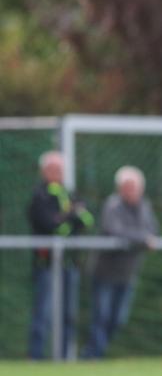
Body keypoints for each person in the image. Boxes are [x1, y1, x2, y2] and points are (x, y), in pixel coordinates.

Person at [83, 166, 159, 358]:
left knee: (118, 320)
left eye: (134, 187)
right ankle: (92, 356)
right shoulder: (112, 205)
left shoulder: (144, 206)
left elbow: (152, 230)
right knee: (101, 317)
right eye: (127, 187)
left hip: (128, 273)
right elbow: (115, 231)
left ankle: (95, 352)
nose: (131, 191)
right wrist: (142, 240)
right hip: (104, 273)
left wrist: (141, 238)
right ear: (119, 188)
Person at [27, 151, 94, 359]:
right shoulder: (40, 196)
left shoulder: (70, 193)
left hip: (68, 263)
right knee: (43, 314)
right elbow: (51, 227)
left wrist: (68, 218)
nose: (57, 173)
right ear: (43, 171)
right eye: (52, 169)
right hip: (46, 264)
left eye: (60, 169)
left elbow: (87, 221)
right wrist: (71, 217)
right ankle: (36, 358)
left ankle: (65, 358)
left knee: (68, 315)